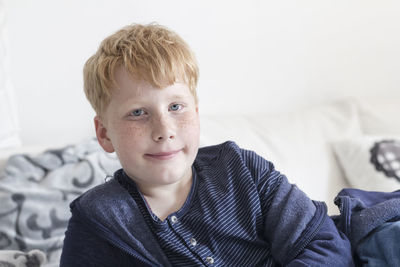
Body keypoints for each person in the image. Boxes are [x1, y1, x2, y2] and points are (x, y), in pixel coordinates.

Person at [60, 23, 353, 266]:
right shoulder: (98, 220)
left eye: (176, 107)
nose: (164, 130)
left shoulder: (243, 170)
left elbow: (325, 245)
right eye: (138, 113)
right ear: (105, 135)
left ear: (197, 114)